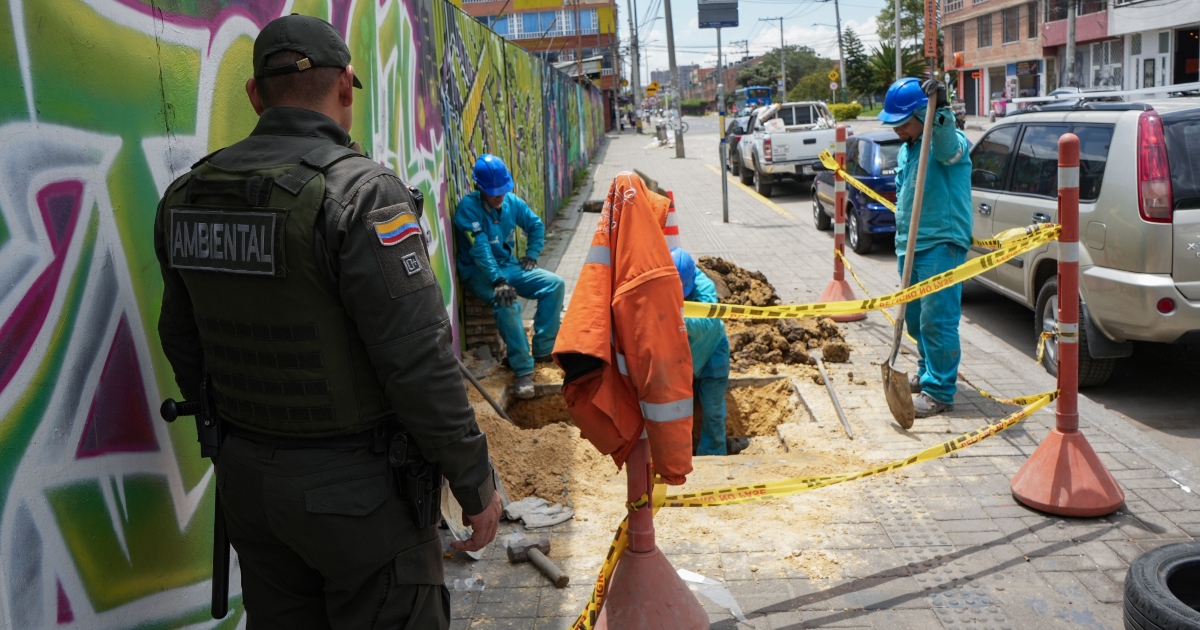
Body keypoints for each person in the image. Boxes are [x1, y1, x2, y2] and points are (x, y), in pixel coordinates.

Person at [153, 15, 500, 628]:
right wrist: (474, 483)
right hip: (359, 502)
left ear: (255, 95)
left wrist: (231, 440)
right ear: (344, 85)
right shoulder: (362, 194)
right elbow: (418, 360)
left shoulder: (187, 196)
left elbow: (181, 339)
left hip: (250, 488)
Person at [878, 77, 973, 418]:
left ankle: (940, 391)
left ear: (923, 114)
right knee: (917, 319)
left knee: (937, 319)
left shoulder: (945, 141)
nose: (897, 129)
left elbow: (949, 150)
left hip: (940, 242)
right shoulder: (909, 149)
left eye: (903, 122)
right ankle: (927, 370)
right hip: (910, 244)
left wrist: (941, 110)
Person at [454, 154, 565, 399]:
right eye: (493, 192)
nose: (499, 196)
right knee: (507, 303)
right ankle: (523, 370)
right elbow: (480, 249)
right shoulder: (468, 210)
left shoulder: (512, 203)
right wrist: (498, 280)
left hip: (508, 266)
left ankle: (543, 350)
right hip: (479, 272)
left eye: (503, 190)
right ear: (479, 188)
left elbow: (535, 225)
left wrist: (532, 254)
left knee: (555, 284)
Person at [671, 248, 734, 456]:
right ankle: (679, 453)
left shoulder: (704, 286)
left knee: (712, 410)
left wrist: (676, 318)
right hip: (682, 359)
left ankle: (713, 456)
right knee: (677, 409)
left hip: (711, 354)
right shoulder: (660, 286)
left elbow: (707, 324)